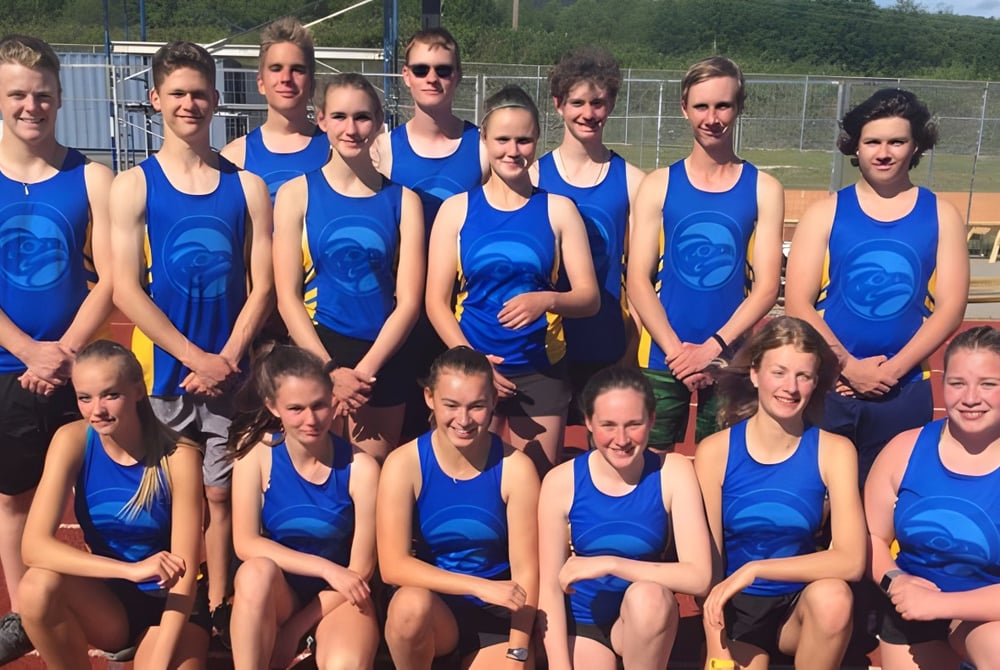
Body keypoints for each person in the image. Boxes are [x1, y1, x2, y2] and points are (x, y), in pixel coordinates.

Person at [110, 41, 274, 620]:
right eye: (177, 93)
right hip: (163, 376)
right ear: (155, 98)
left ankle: (218, 604)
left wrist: (225, 357)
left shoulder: (248, 187)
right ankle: (170, 605)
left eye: (199, 94)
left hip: (232, 375)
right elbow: (126, 290)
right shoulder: (133, 185)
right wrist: (194, 357)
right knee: (166, 494)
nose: (189, 104)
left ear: (216, 100)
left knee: (220, 495)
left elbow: (262, 287)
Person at [785, 88, 968, 483]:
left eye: (896, 142)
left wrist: (891, 372)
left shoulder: (942, 215)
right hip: (831, 385)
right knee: (818, 496)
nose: (883, 153)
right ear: (855, 145)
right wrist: (848, 368)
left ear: (916, 145)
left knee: (889, 497)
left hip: (904, 389)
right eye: (872, 142)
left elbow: (951, 308)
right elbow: (798, 303)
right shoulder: (825, 213)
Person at [0, 33, 114, 662]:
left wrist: (65, 351)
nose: (31, 106)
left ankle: (110, 603)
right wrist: (28, 351)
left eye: (42, 95)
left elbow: (113, 279)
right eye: (18, 94)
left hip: (78, 370)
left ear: (60, 98)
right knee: (15, 497)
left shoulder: (91, 177)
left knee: (96, 491)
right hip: (8, 369)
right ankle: (25, 616)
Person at [425, 85, 599, 474]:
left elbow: (589, 298)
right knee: (469, 477)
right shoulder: (456, 210)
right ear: (484, 140)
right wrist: (473, 360)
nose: (513, 150)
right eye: (502, 139)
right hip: (471, 369)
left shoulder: (559, 209)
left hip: (540, 371)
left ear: (536, 141)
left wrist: (547, 300)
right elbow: (435, 302)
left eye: (524, 140)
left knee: (535, 481)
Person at [19, 340, 208, 669]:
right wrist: (130, 571)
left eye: (110, 395)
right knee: (35, 587)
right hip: (110, 603)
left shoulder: (180, 456)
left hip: (173, 605)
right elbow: (33, 547)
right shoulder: (71, 440)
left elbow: (185, 575)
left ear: (137, 391)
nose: (97, 410)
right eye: (85, 398)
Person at [628, 55, 784, 453]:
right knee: (650, 470)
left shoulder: (764, 189)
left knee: (723, 470)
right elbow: (638, 281)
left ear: (739, 107)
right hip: (663, 357)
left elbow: (767, 288)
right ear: (684, 108)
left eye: (723, 106)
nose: (712, 118)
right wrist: (678, 353)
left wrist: (713, 349)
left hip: (731, 358)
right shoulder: (658, 184)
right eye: (701, 106)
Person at [694, 316, 866, 669]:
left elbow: (851, 560)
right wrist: (714, 640)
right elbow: (707, 567)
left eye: (804, 375)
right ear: (755, 373)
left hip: (797, 608)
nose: (791, 387)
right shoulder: (715, 452)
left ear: (815, 382)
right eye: (779, 372)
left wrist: (757, 568)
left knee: (834, 598)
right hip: (734, 608)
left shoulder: (835, 451)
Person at [273, 73, 423, 461]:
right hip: (317, 350)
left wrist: (363, 373)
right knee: (314, 475)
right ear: (321, 119)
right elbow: (287, 297)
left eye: (362, 117)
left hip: (381, 357)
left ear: (378, 122)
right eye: (339, 116)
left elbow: (408, 301)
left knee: (370, 476)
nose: (351, 129)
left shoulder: (404, 201)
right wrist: (330, 370)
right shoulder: (295, 194)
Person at [537, 366, 712, 670]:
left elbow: (699, 577)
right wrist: (558, 665)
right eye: (608, 425)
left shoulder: (673, 471)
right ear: (588, 422)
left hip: (645, 617)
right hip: (585, 622)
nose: (621, 439)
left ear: (652, 420)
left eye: (634, 424)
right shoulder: (561, 481)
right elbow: (550, 589)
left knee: (649, 598)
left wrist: (610, 564)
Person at [377, 346, 540, 669]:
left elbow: (527, 572)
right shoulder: (404, 464)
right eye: (451, 405)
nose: (463, 420)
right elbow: (393, 566)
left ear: (493, 401)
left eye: (476, 406)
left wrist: (518, 651)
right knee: (409, 605)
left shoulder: (516, 468)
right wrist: (478, 586)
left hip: (495, 612)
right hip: (434, 610)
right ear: (429, 398)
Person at [227, 345, 380, 670]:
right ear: (273, 407)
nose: (311, 420)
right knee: (254, 573)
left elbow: (360, 570)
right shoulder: (256, 456)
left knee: (345, 664)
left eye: (319, 405)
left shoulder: (361, 468)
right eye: (296, 408)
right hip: (281, 593)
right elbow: (245, 543)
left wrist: (294, 630)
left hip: (339, 596)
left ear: (333, 400)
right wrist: (325, 568)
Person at [372, 27, 488, 442]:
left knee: (461, 429)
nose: (432, 78)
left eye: (443, 69)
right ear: (406, 75)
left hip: (461, 312)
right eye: (421, 69)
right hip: (400, 314)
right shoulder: (383, 149)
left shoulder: (483, 147)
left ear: (458, 76)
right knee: (399, 435)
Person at [866, 325, 1000, 669]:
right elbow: (872, 537)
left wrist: (940, 604)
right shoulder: (903, 449)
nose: (971, 398)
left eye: (988, 384)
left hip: (988, 617)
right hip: (912, 612)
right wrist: (896, 581)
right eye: (957, 383)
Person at [532, 48, 646, 423]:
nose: (588, 113)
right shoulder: (533, 177)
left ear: (610, 104)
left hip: (607, 342)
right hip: (545, 345)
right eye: (577, 102)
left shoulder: (633, 182)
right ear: (558, 105)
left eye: (597, 103)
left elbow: (641, 275)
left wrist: (632, 347)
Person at [220, 17, 330, 202]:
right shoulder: (235, 157)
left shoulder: (334, 150)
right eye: (276, 68)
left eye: (297, 69)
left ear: (311, 84)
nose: (286, 78)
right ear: (261, 83)